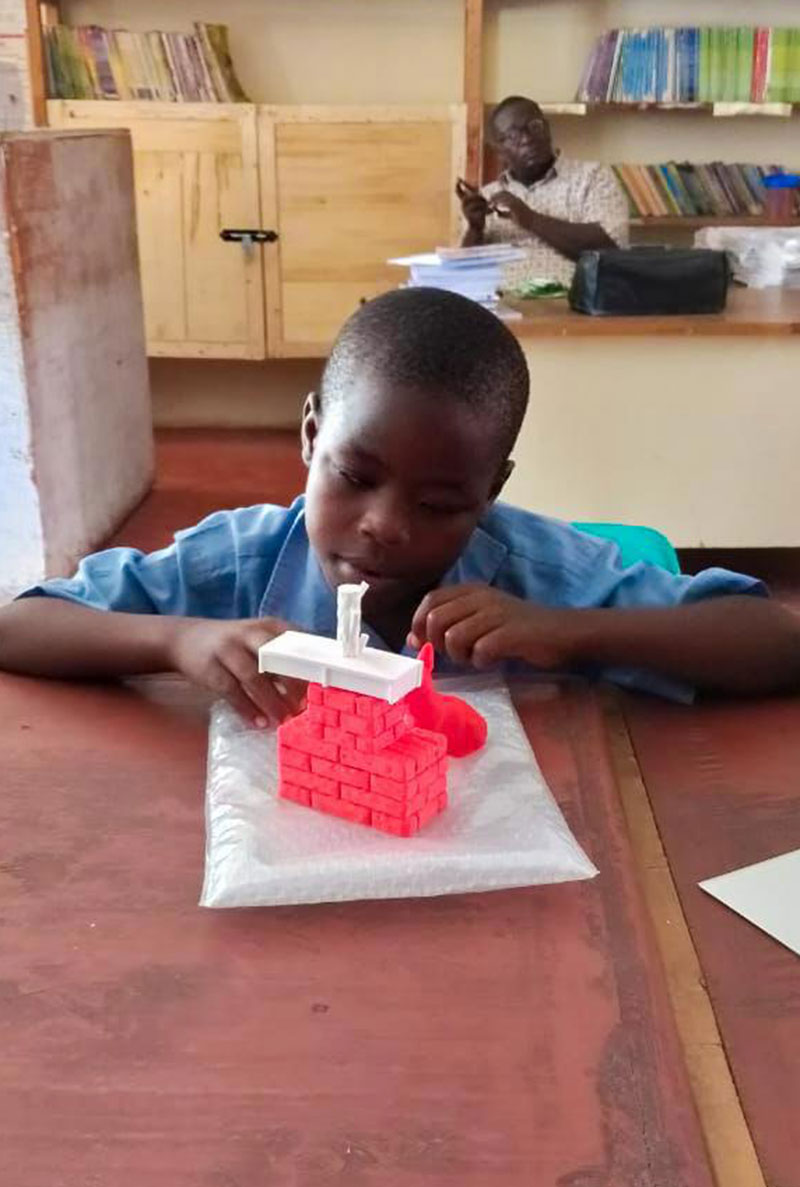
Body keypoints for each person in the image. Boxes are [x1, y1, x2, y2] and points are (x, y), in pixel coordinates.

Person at [1, 288, 798, 727]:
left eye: (443, 501)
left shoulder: (537, 577)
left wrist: (567, 630)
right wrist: (178, 639)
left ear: (491, 492)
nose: (384, 523)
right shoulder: (247, 560)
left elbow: (776, 643)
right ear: (312, 436)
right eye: (355, 475)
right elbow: (19, 624)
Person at [459, 95, 629, 287]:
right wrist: (475, 229)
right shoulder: (489, 196)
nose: (527, 139)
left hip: (570, 302)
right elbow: (463, 274)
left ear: (547, 129)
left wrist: (531, 219)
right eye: (513, 135)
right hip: (501, 303)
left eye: (534, 127)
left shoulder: (592, 177)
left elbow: (612, 248)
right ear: (499, 150)